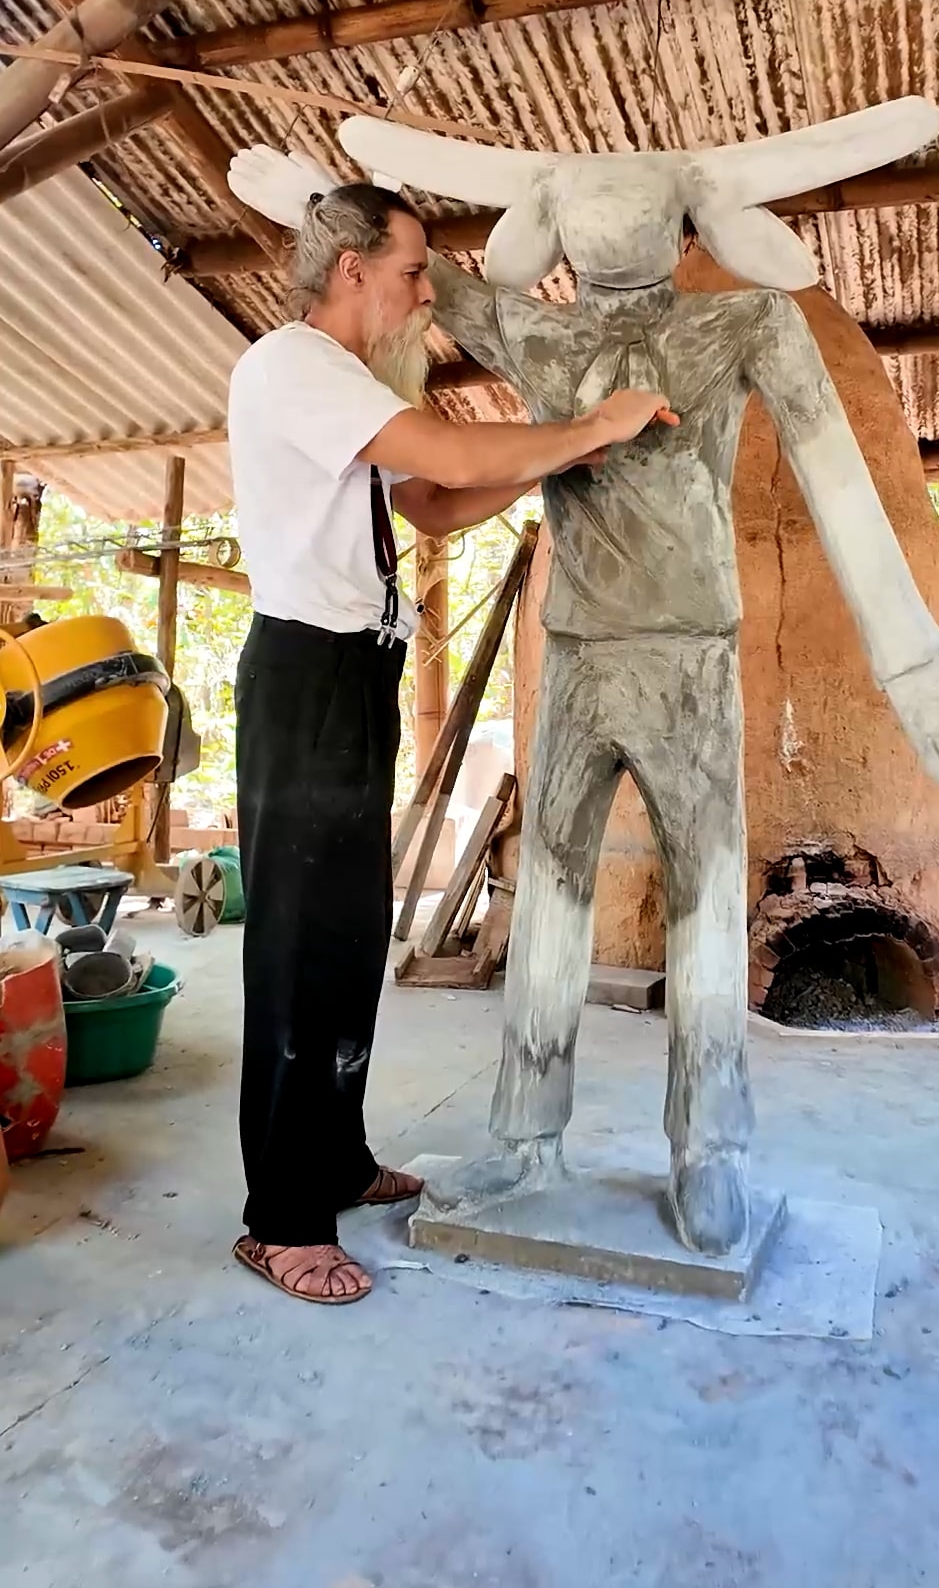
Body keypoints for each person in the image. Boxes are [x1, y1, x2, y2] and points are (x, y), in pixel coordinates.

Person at [226, 180, 676, 1305]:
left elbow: (429, 502)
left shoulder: (345, 388)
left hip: (352, 675)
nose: (427, 293)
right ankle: (280, 1220)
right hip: (306, 675)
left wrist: (554, 463)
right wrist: (594, 425)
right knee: (297, 945)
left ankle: (334, 1158)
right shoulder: (290, 365)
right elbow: (449, 455)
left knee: (347, 935)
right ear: (352, 269)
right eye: (414, 270)